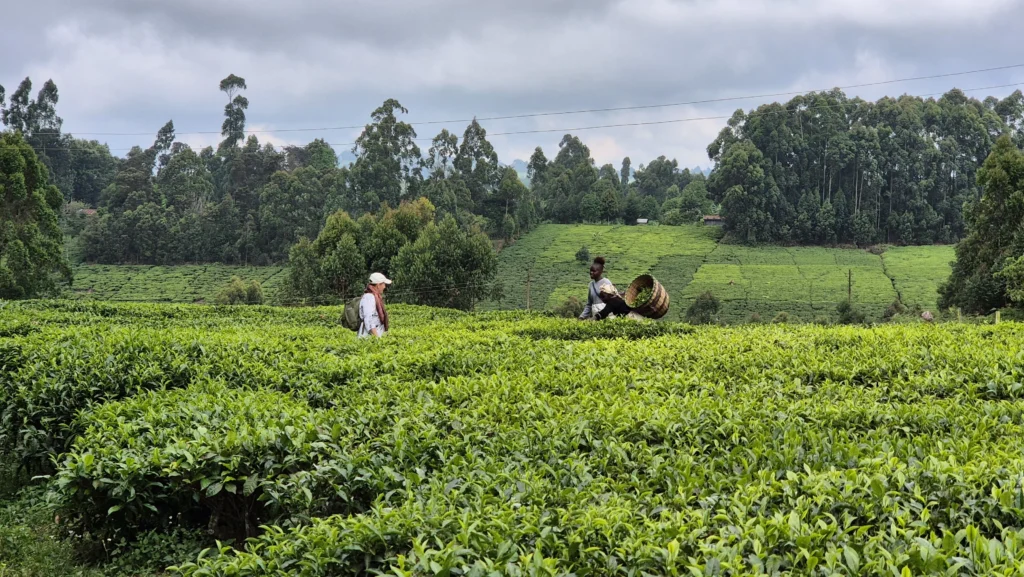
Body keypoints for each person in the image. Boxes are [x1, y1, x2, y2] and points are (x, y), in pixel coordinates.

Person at [579, 256, 614, 320]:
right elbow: (589, 304)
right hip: (595, 316)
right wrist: (582, 317)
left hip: (607, 316)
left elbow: (613, 301)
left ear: (600, 271)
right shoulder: (591, 285)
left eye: (594, 271)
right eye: (590, 271)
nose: (591, 273)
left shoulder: (606, 282)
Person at [358, 272, 391, 338]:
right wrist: (377, 339)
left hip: (374, 337)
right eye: (383, 284)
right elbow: (369, 321)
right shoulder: (369, 298)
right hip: (368, 339)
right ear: (378, 285)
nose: (384, 286)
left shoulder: (375, 297)